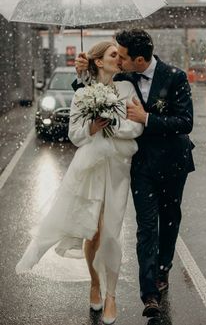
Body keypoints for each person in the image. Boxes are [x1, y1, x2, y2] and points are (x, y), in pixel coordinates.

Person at [15, 41, 143, 325]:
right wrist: (92, 127)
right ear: (99, 62)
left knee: (111, 232)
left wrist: (113, 124)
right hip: (89, 168)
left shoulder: (126, 90)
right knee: (93, 232)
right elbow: (75, 135)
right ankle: (95, 283)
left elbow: (137, 126)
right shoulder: (82, 94)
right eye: (113, 55)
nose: (118, 60)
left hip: (118, 168)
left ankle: (111, 296)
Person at [73, 29, 195, 318]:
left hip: (175, 162)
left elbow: (186, 121)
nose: (120, 61)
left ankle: (163, 267)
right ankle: (149, 292)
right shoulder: (124, 76)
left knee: (170, 220)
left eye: (124, 56)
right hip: (141, 166)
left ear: (139, 60)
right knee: (146, 227)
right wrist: (82, 72)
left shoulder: (175, 76)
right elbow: (96, 89)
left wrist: (148, 118)